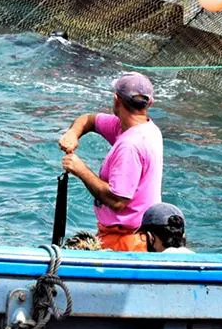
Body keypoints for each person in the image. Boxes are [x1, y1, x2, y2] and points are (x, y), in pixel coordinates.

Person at [58, 72, 163, 252]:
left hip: (126, 241)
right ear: (149, 103)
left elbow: (117, 201)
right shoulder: (142, 128)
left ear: (116, 100)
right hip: (138, 233)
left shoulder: (130, 146)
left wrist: (80, 169)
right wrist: (73, 134)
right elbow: (89, 120)